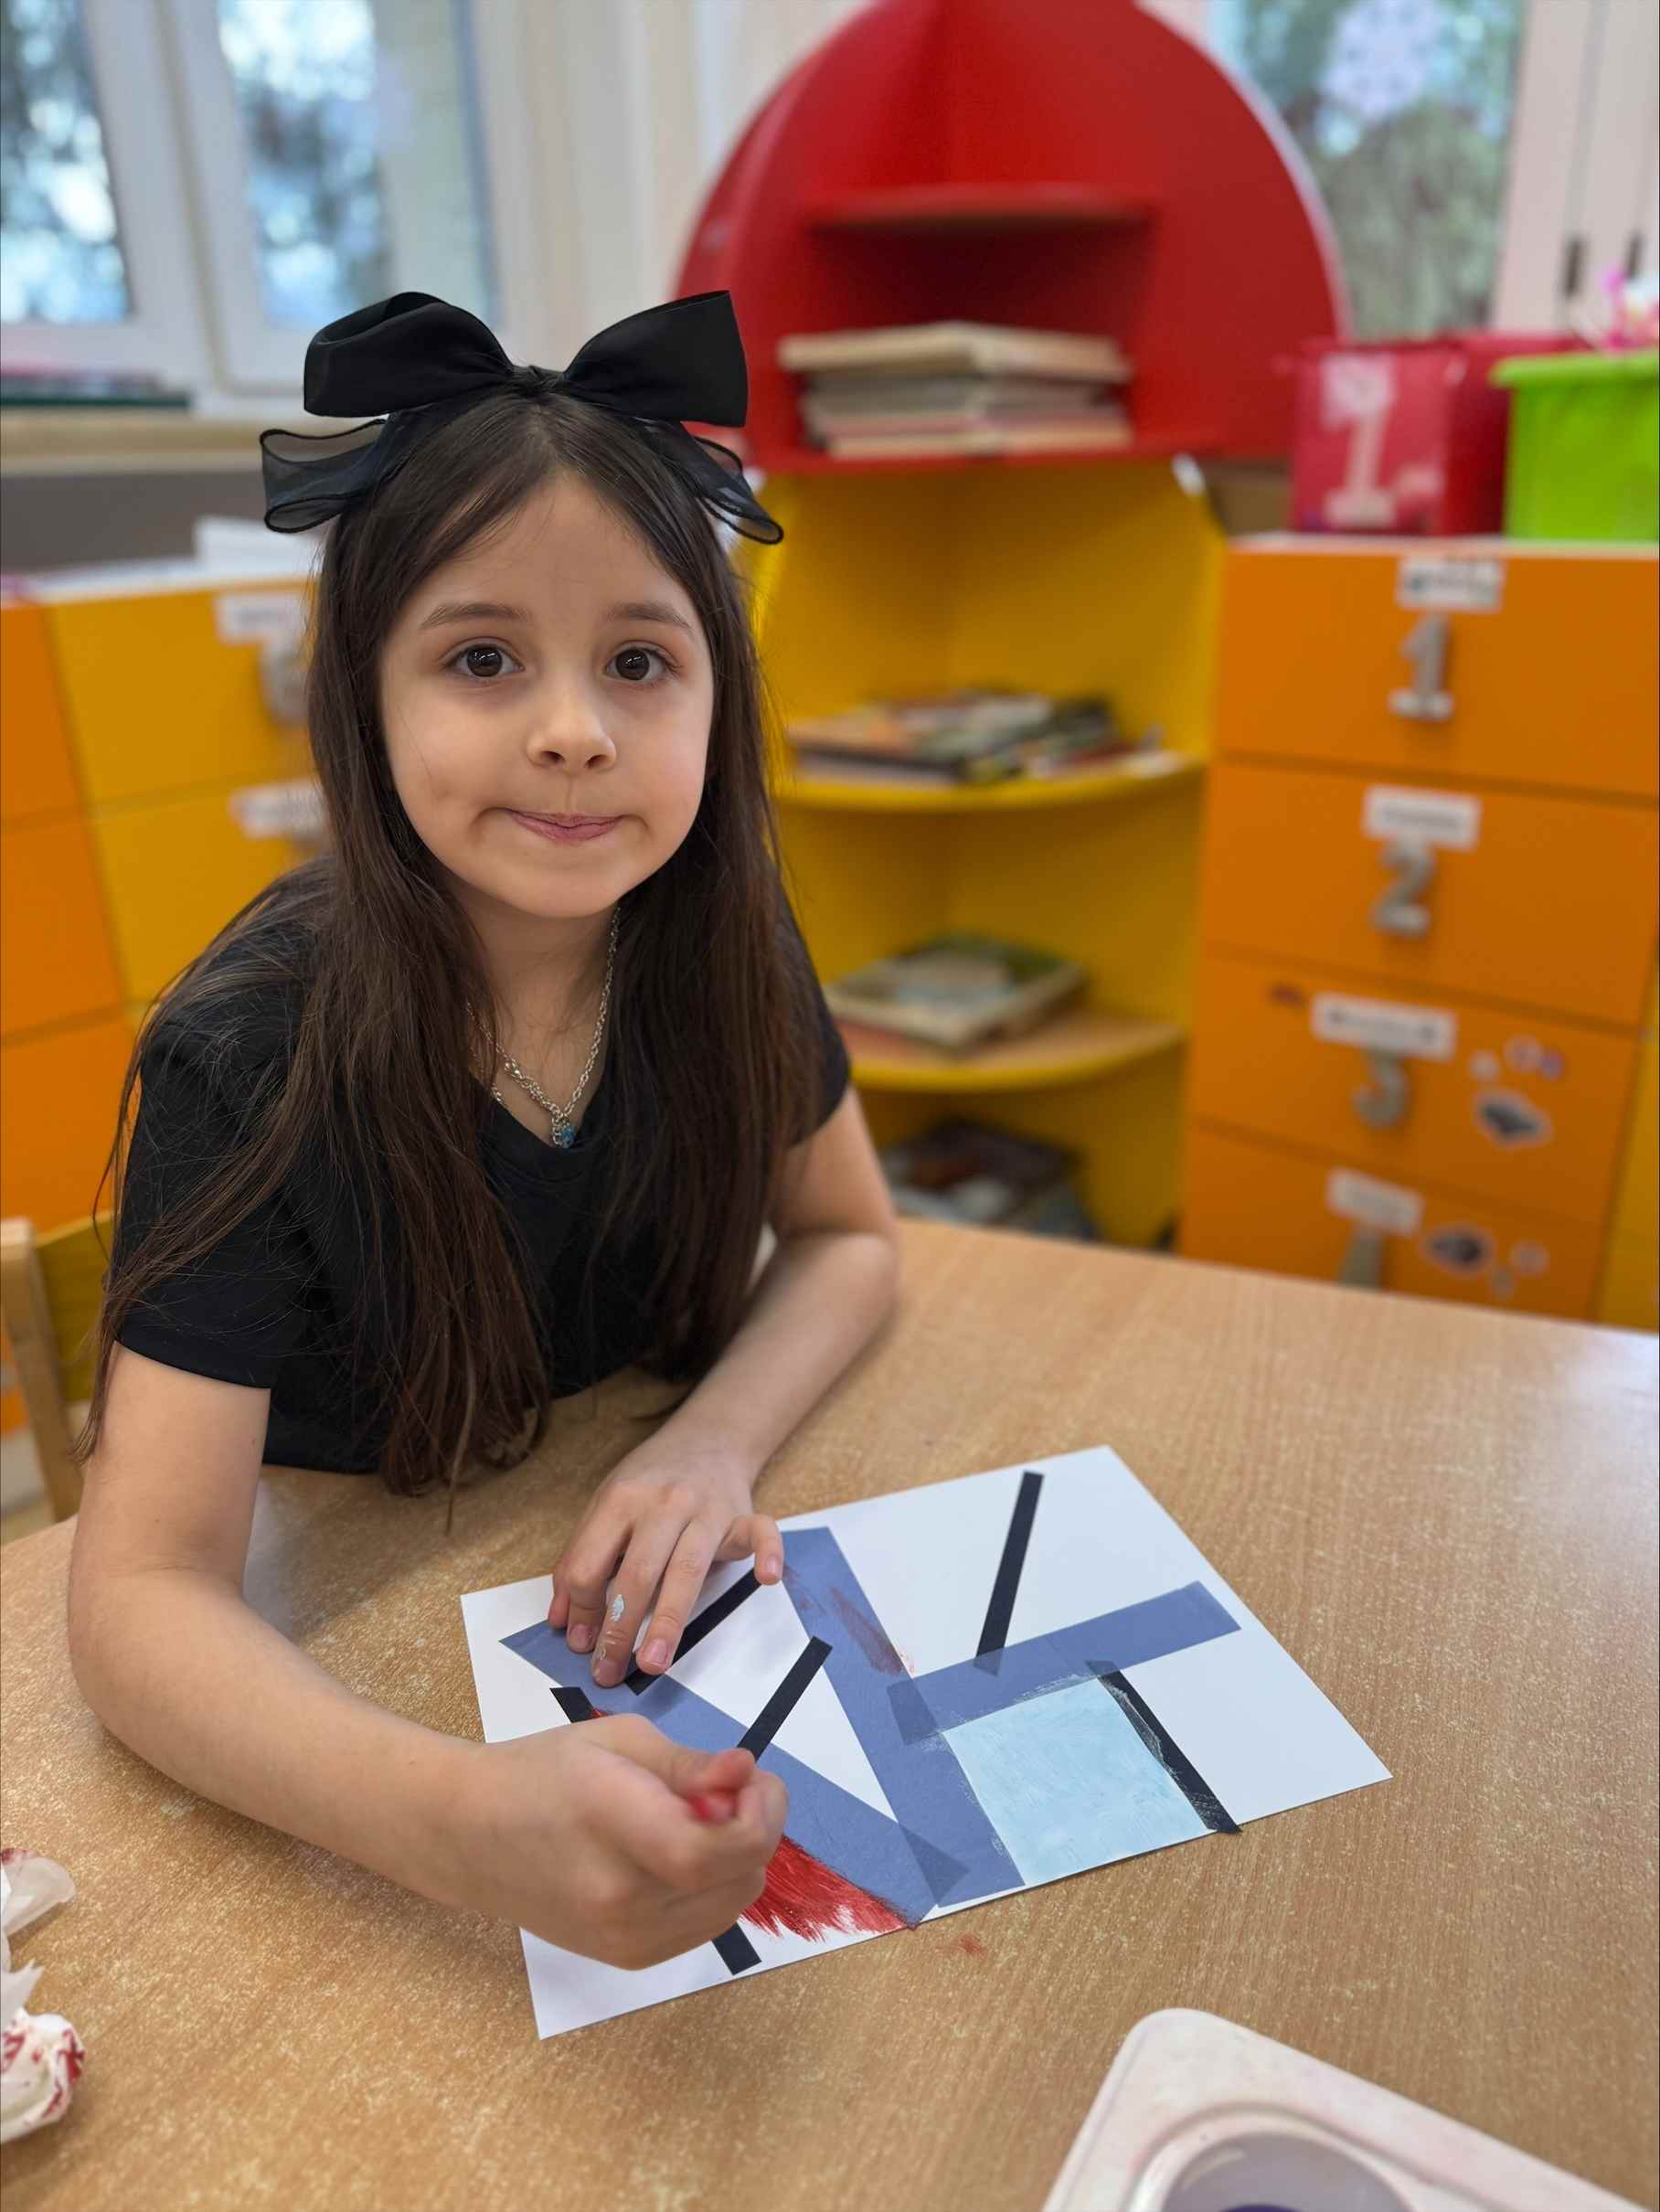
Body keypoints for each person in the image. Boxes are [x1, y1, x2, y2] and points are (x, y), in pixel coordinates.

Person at [66, 291, 901, 1972]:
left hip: (612, 1571)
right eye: (481, 659)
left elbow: (851, 1239)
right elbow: (139, 1600)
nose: (575, 728)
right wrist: (459, 1817)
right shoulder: (255, 1048)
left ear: (718, 698)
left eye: (640, 662)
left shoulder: (729, 941)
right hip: (358, 1618)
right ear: (363, 700)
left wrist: (710, 1445)